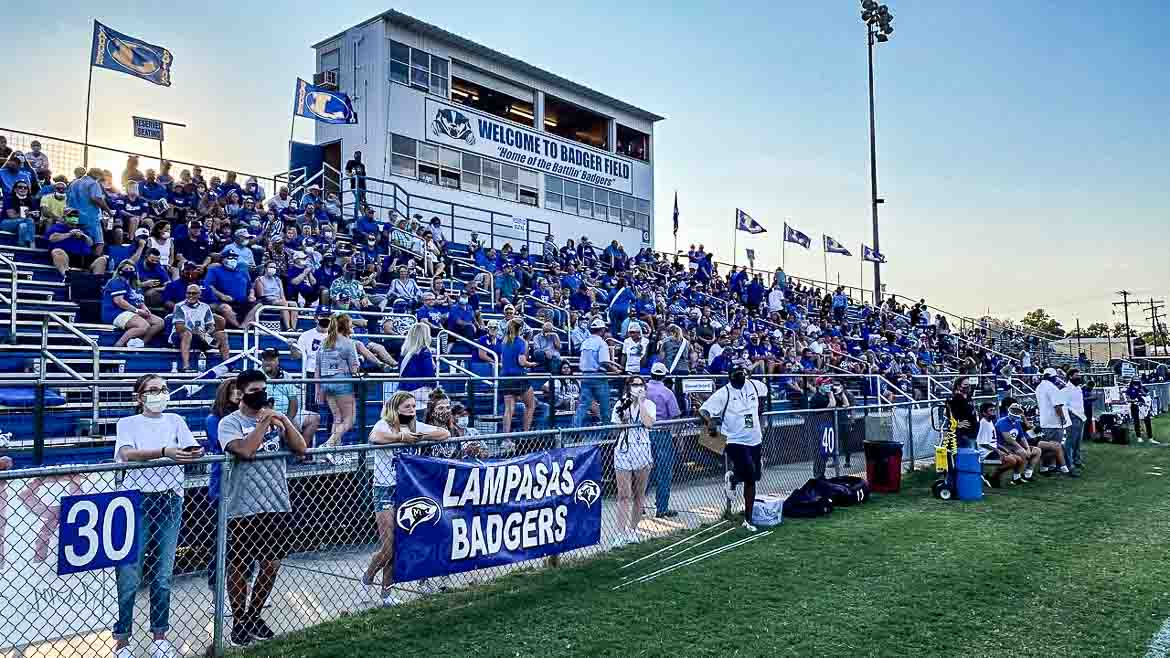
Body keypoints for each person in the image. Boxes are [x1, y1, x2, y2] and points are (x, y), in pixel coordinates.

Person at [112, 374, 203, 658]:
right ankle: (122, 641)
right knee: (129, 574)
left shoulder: (175, 420)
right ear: (140, 397)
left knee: (163, 575)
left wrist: (194, 453)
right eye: (153, 390)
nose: (160, 394)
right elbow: (127, 454)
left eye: (163, 389)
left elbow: (190, 449)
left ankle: (160, 637)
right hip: (137, 500)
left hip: (169, 499)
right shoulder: (127, 423)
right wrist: (165, 452)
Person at [217, 368, 307, 646]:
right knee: (240, 566)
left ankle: (253, 616)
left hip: (277, 502)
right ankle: (238, 619)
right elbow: (245, 451)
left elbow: (301, 448)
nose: (261, 395)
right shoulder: (229, 423)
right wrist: (262, 423)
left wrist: (284, 421)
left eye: (263, 390)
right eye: (254, 391)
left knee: (271, 564)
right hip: (242, 505)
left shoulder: (273, 418)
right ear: (241, 394)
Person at [363, 392, 449, 606]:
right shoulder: (385, 424)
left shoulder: (416, 426)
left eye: (413, 405)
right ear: (396, 407)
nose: (412, 409)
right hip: (384, 489)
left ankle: (387, 593)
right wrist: (401, 438)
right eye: (407, 406)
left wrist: (421, 436)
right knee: (389, 546)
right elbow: (375, 438)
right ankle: (369, 573)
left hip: (406, 490)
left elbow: (444, 433)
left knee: (400, 546)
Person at [699, 360, 768, 532]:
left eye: (743, 374)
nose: (741, 378)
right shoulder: (724, 393)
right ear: (730, 377)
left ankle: (734, 479)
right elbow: (704, 410)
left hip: (754, 438)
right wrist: (710, 423)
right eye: (737, 375)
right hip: (734, 440)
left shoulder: (754, 386)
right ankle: (748, 519)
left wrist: (760, 413)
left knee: (755, 477)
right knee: (750, 474)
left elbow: (763, 396)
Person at [610, 376, 656, 546]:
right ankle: (620, 533)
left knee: (639, 494)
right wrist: (625, 415)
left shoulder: (649, 405)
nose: (637, 387)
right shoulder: (620, 404)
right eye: (634, 384)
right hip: (624, 450)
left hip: (643, 450)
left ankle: (633, 530)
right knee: (624, 494)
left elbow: (648, 423)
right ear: (628, 387)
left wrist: (641, 403)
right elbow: (616, 429)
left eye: (640, 384)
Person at [315, 313, 362, 456]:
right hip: (342, 384)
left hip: (326, 383)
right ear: (346, 326)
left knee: (337, 418)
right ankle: (328, 445)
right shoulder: (348, 342)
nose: (352, 325)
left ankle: (333, 453)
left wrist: (318, 390)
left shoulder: (324, 342)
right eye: (351, 323)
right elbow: (354, 368)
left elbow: (317, 368)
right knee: (349, 419)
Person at [645, 363, 682, 517]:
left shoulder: (643, 389)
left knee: (643, 470)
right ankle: (662, 508)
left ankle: (639, 505)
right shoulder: (667, 392)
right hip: (661, 433)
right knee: (664, 471)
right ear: (664, 376)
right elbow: (675, 415)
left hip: (644, 432)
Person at [263, 348, 320, 447]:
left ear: (277, 361)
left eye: (271, 359)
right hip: (267, 415)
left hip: (287, 415)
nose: (268, 362)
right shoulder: (256, 375)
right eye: (265, 359)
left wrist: (287, 421)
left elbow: (293, 401)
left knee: (314, 418)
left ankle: (300, 453)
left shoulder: (286, 376)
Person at [103, 259, 164, 347]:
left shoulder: (135, 285)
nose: (129, 271)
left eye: (131, 269)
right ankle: (118, 345)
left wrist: (145, 309)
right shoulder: (116, 282)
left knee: (159, 322)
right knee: (144, 326)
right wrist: (138, 311)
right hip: (115, 313)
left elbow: (139, 301)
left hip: (131, 312)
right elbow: (119, 301)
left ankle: (139, 343)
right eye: (126, 269)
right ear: (120, 270)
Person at [171, 284, 230, 371]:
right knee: (187, 334)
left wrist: (207, 334)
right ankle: (186, 366)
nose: (190, 295)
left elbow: (211, 326)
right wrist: (200, 333)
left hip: (201, 336)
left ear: (199, 294)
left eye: (194, 293)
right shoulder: (179, 306)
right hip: (180, 336)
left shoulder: (205, 307)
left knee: (222, 335)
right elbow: (179, 328)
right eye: (188, 293)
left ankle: (228, 365)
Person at [575, 317, 619, 427]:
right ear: (602, 330)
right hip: (598, 376)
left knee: (583, 405)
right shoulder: (601, 343)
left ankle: (573, 430)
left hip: (585, 375)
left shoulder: (585, 342)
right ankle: (607, 431)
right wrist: (616, 370)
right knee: (605, 406)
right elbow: (604, 362)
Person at [45, 209, 108, 280]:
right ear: (64, 217)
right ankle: (66, 276)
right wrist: (70, 234)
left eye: (75, 215)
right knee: (57, 251)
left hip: (83, 257)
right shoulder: (56, 227)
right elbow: (52, 238)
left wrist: (83, 236)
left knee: (102, 259)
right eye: (70, 215)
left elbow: (90, 243)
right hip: (66, 256)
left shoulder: (82, 229)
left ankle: (96, 281)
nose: (73, 217)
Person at [500, 318, 538, 434]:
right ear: (520, 329)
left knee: (508, 409)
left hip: (505, 378)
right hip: (519, 377)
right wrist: (531, 364)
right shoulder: (522, 342)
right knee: (531, 405)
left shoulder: (504, 341)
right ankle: (525, 434)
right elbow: (521, 361)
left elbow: (503, 360)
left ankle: (506, 438)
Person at [975, 401, 1023, 488]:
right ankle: (993, 476)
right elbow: (982, 443)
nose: (993, 412)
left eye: (993, 410)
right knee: (1012, 461)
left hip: (992, 450)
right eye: (990, 410)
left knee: (1019, 459)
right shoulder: (983, 423)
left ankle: (1000, 477)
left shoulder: (990, 422)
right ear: (984, 413)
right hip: (986, 453)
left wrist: (1004, 449)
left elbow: (993, 441)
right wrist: (999, 451)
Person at [996, 399, 1041, 483]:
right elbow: (1008, 439)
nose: (1016, 413)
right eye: (1014, 411)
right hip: (1003, 447)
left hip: (1013, 446)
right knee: (1022, 452)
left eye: (1017, 411)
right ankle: (1016, 477)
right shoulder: (1002, 422)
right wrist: (1023, 449)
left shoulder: (1017, 422)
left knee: (1037, 450)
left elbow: (1022, 437)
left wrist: (1027, 448)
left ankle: (1028, 474)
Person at [399, 321, 437, 403]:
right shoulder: (425, 351)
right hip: (420, 391)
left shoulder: (404, 352)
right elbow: (429, 375)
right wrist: (435, 387)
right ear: (425, 336)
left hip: (403, 391)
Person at [1061, 370, 1087, 469]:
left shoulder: (1078, 388)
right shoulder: (1066, 390)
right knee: (1070, 441)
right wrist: (1071, 416)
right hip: (1073, 417)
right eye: (1076, 376)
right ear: (1070, 377)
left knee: (1078, 442)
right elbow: (1065, 405)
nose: (1079, 377)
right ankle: (1069, 463)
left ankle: (1077, 460)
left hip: (1081, 417)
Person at [1125, 377, 1158, 443]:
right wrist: (1134, 400)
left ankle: (1150, 438)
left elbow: (1147, 395)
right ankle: (1139, 437)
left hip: (1144, 407)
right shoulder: (1130, 389)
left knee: (1147, 421)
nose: (1136, 383)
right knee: (1136, 422)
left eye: (1137, 381)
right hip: (1135, 406)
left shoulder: (1142, 388)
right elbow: (1128, 399)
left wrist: (1142, 392)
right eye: (1135, 382)